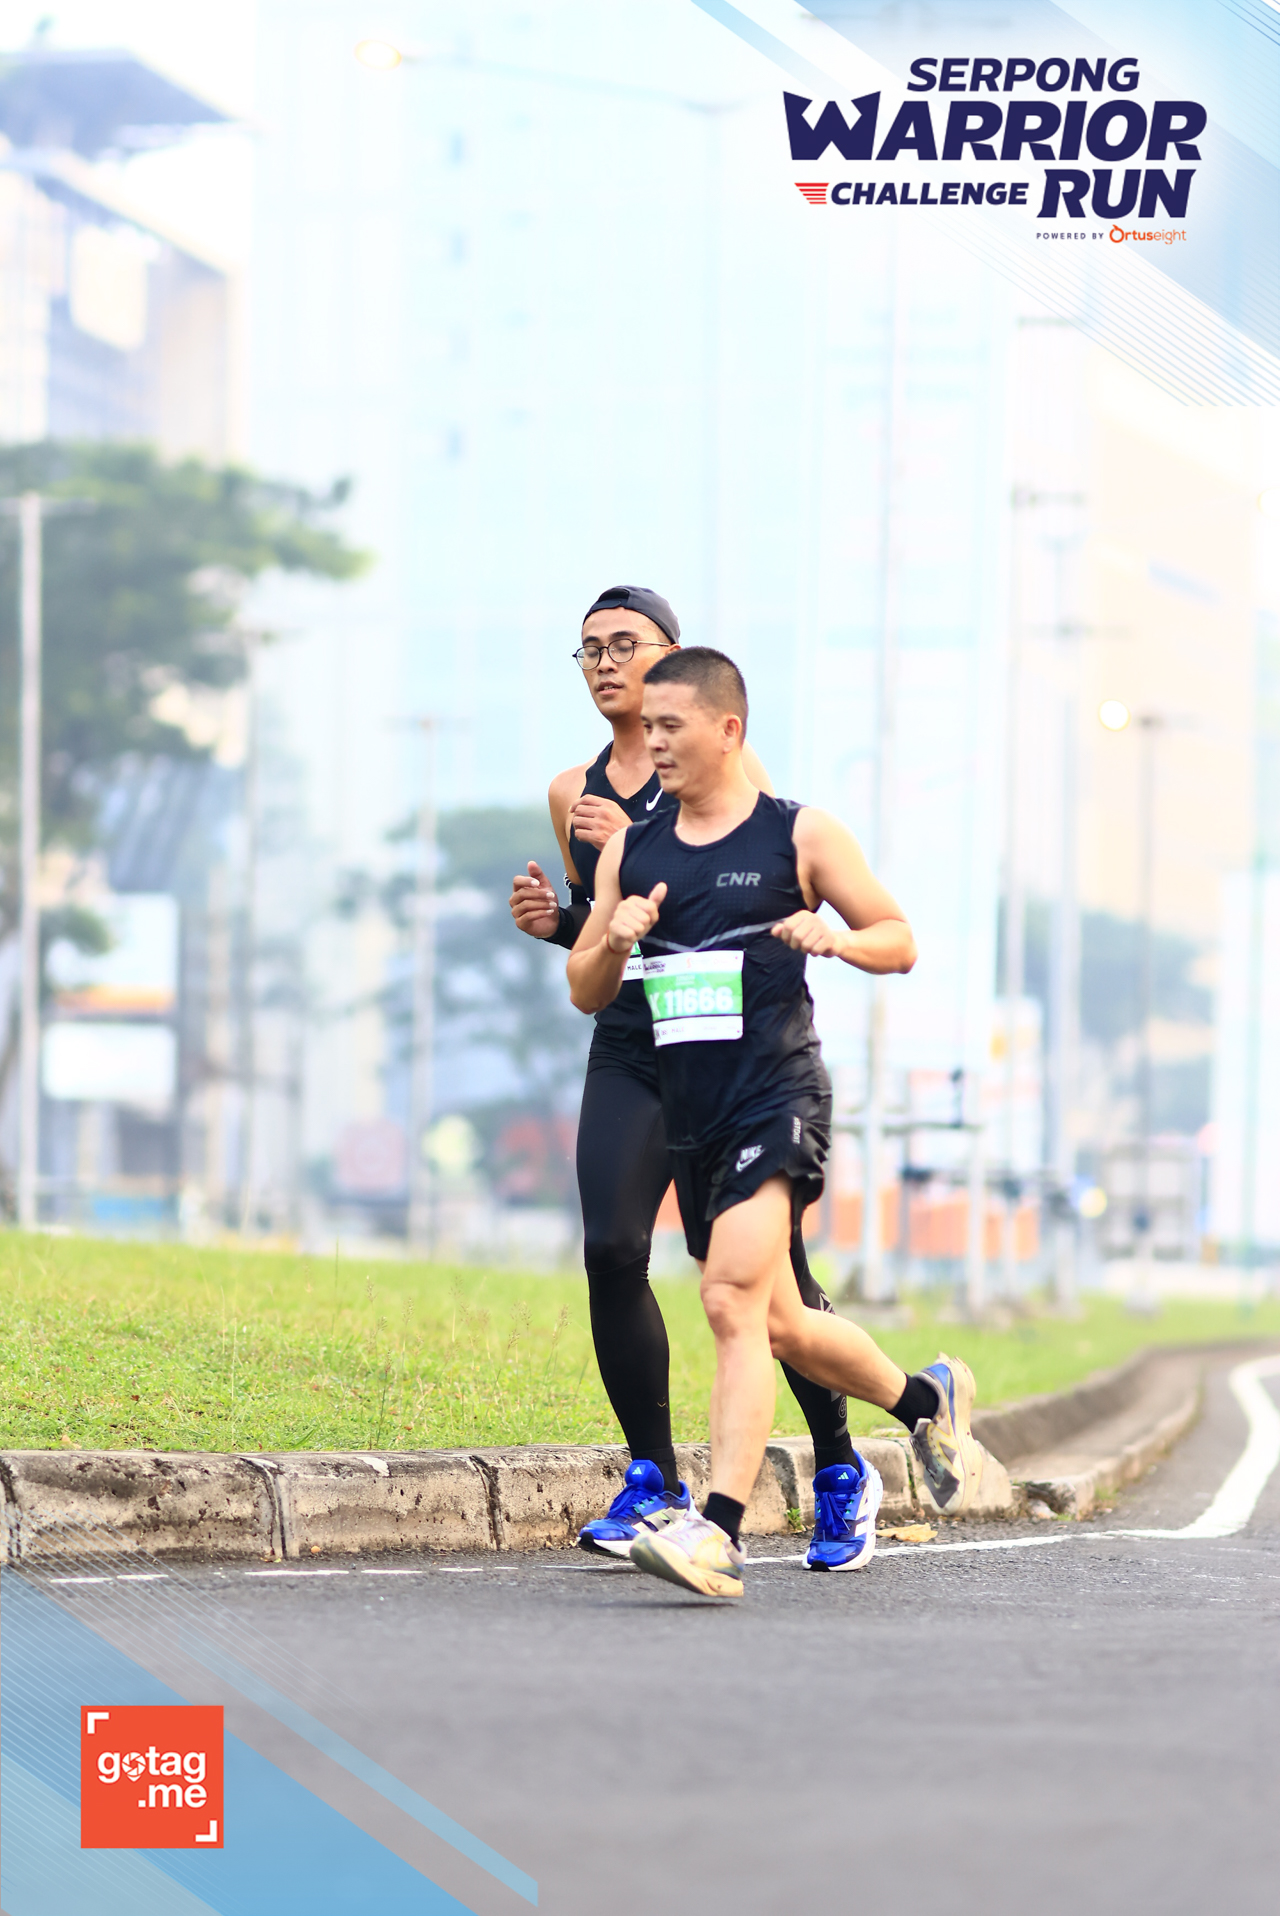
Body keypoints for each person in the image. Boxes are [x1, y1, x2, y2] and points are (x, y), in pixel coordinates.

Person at [567, 646, 983, 1598]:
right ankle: (925, 1399)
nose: (652, 743)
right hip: (693, 1115)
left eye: (670, 726)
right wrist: (614, 939)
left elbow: (899, 939)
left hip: (777, 1100)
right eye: (647, 727)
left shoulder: (799, 835)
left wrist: (834, 937)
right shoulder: (632, 849)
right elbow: (585, 987)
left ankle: (717, 1531)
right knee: (785, 1325)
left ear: (728, 730)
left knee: (728, 1301)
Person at [509, 587, 862, 1562]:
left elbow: (734, 893)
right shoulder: (570, 793)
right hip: (633, 1042)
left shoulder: (722, 765)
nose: (603, 663)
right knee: (612, 1247)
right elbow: (609, 935)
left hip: (727, 1049)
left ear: (671, 658)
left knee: (771, 1284)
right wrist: (559, 924)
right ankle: (652, 1479)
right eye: (587, 649)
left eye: (623, 644)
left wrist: (637, 825)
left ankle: (839, 1466)